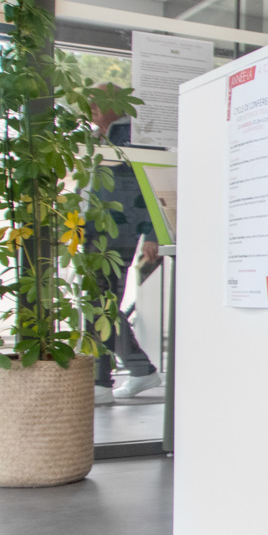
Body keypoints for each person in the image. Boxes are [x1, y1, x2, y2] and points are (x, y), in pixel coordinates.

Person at [87, 87, 161, 406]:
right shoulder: (95, 138)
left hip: (118, 231)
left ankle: (101, 381)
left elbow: (153, 181)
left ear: (117, 104)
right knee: (99, 304)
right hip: (93, 230)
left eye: (98, 100)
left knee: (99, 304)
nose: (91, 105)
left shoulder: (133, 135)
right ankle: (138, 370)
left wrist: (154, 234)